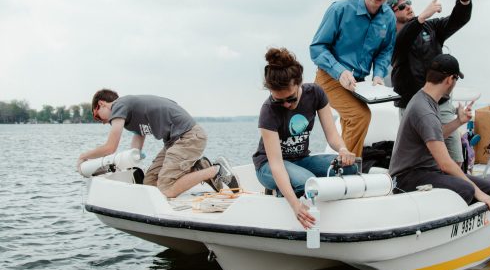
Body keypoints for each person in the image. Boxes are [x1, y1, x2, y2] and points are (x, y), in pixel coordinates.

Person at [253, 47, 357, 228]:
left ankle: (301, 192)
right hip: (268, 166)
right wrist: (294, 205)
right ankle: (282, 191)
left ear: (299, 84)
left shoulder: (315, 93)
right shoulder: (268, 110)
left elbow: (332, 136)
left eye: (291, 98)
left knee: (349, 169)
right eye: (279, 100)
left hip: (301, 159)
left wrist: (342, 150)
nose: (286, 104)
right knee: (306, 182)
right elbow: (276, 164)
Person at [77, 90, 237, 198]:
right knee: (149, 185)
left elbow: (110, 148)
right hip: (174, 142)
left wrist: (83, 157)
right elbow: (135, 151)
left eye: (98, 117)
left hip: (188, 136)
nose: (103, 123)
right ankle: (198, 168)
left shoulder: (119, 105)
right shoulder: (131, 114)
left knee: (166, 188)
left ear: (102, 104)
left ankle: (215, 170)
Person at [310, 0, 397, 157]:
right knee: (360, 116)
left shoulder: (389, 17)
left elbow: (385, 50)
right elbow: (317, 48)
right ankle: (347, 170)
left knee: (351, 120)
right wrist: (339, 71)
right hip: (329, 78)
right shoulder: (339, 9)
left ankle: (341, 173)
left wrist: (379, 75)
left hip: (358, 84)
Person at [388, 54, 490, 209]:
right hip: (406, 177)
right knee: (468, 190)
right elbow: (445, 164)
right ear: (450, 79)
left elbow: (434, 135)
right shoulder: (425, 110)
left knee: (488, 187)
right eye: (456, 80)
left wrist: (458, 121)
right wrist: (479, 193)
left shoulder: (425, 99)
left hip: (426, 172)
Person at [389, 0, 473, 165]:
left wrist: (464, 0)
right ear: (389, 13)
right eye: (401, 7)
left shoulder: (431, 27)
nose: (409, 7)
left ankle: (458, 190)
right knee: (420, 158)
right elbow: (402, 42)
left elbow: (457, 20)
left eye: (409, 4)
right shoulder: (389, 38)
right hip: (411, 105)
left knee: (455, 158)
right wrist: (420, 18)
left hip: (440, 103)